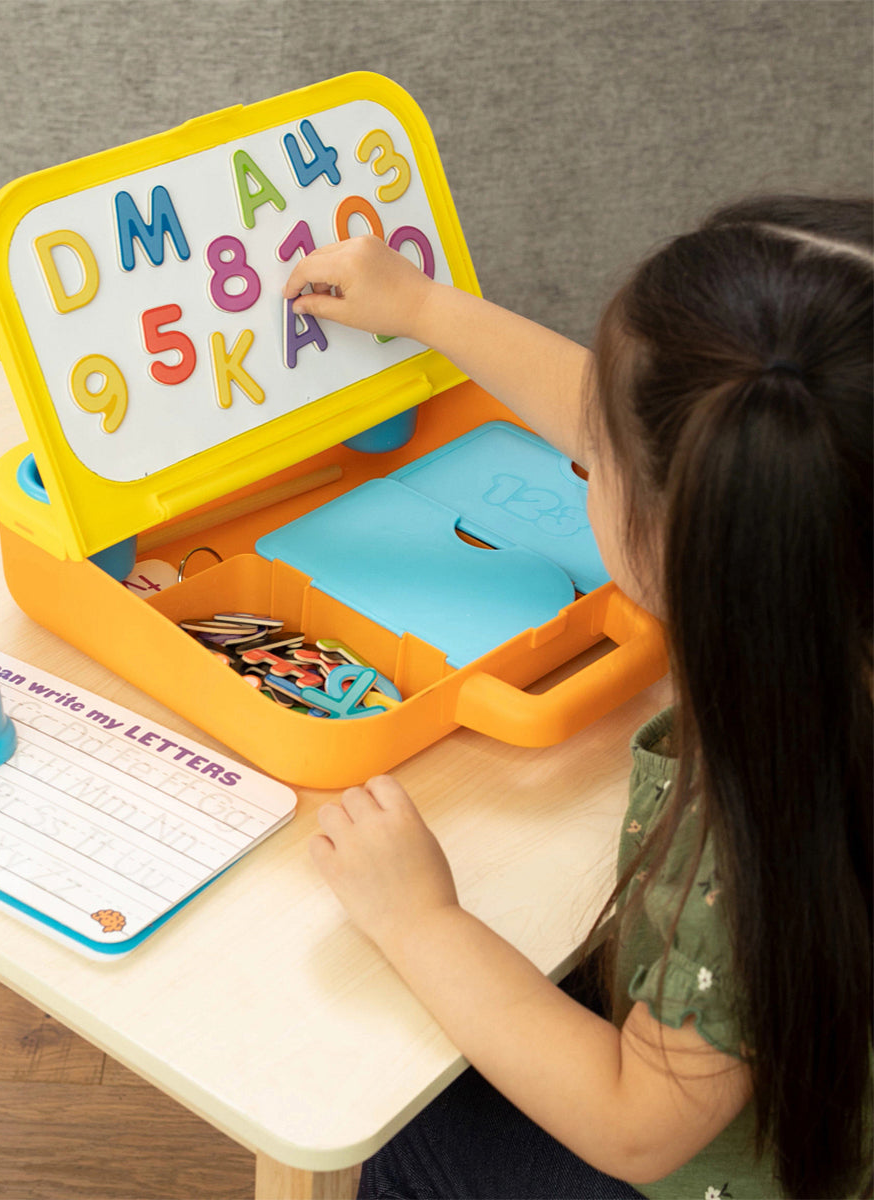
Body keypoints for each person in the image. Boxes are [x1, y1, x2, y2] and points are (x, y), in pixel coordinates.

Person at [282, 196, 872, 1200]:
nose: (584, 457)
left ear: (685, 539)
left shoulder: (766, 829)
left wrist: (421, 918)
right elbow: (661, 434)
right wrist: (424, 306)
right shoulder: (822, 567)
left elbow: (637, 1126)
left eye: (593, 462)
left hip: (718, 1167)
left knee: (379, 1114)